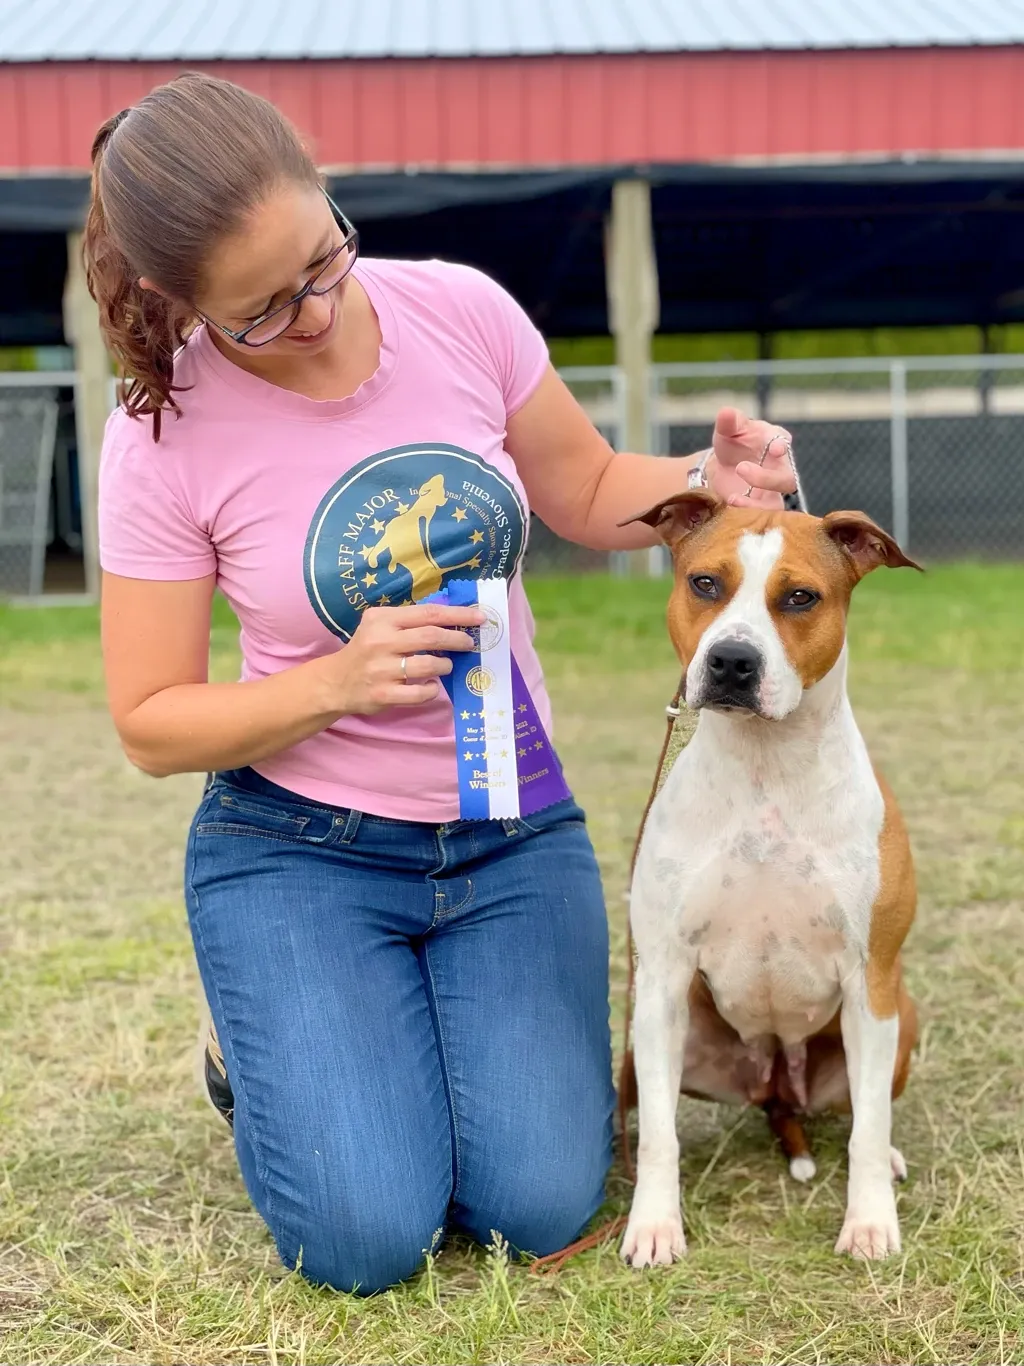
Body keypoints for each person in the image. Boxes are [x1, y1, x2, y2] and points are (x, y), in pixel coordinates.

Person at [89, 72, 797, 1296]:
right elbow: (151, 724)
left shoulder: (459, 310)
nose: (313, 313)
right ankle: (256, 1047)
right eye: (260, 309)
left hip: (509, 828)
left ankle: (372, 1042)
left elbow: (578, 488)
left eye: (324, 261)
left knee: (536, 1207)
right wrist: (336, 683)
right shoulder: (160, 430)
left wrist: (713, 479)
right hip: (299, 843)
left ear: (329, 195)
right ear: (177, 301)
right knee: (366, 1239)